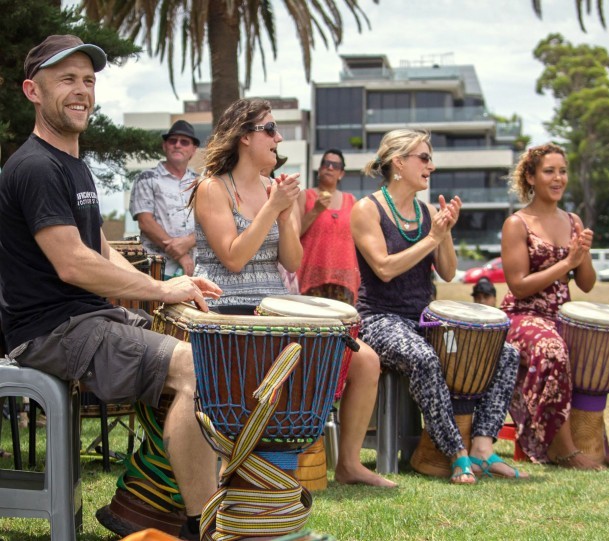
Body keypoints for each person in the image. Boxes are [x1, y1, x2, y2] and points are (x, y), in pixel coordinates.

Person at [0, 35, 221, 540]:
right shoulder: (35, 167)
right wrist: (163, 292)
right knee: (195, 369)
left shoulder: (74, 165)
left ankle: (145, 505)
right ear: (33, 90)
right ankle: (204, 527)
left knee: (208, 354)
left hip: (86, 320)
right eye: (67, 80)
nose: (82, 91)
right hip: (52, 330)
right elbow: (74, 264)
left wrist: (169, 284)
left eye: (88, 81)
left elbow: (99, 249)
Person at [191, 98, 394, 487]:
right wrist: (274, 208)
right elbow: (233, 258)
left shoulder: (275, 188)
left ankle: (348, 464)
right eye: (269, 130)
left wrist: (285, 216)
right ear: (244, 137)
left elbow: (291, 260)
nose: (278, 137)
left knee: (365, 360)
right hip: (226, 307)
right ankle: (247, 464)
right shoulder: (211, 188)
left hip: (274, 306)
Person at [352, 128, 527, 484]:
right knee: (423, 357)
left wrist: (444, 232)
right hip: (379, 320)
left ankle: (481, 446)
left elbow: (447, 272)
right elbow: (384, 269)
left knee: (505, 353)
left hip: (423, 320)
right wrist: (433, 236)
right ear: (399, 163)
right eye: (425, 158)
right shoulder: (366, 209)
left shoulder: (427, 210)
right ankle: (455, 452)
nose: (431, 166)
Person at [500, 143, 609, 470]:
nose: (558, 178)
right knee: (552, 350)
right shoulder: (517, 223)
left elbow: (586, 283)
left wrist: (582, 254)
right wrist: (566, 263)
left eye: (562, 171)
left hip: (562, 316)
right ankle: (566, 452)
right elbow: (518, 285)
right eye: (549, 171)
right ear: (530, 177)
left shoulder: (572, 220)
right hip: (523, 316)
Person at [129, 120, 199, 278]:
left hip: (193, 270)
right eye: (172, 140)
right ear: (164, 146)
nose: (177, 145)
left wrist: (189, 241)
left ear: (193, 150)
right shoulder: (146, 178)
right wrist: (180, 255)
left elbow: (211, 223)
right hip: (154, 270)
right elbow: (145, 222)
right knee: (156, 304)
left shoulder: (200, 182)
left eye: (184, 142)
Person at [296, 149, 359, 304]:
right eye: (326, 163)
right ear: (319, 169)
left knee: (344, 325)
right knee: (312, 325)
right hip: (311, 277)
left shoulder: (352, 201)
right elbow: (294, 234)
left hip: (345, 278)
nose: (330, 168)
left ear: (341, 174)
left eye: (336, 165)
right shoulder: (305, 196)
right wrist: (315, 211)